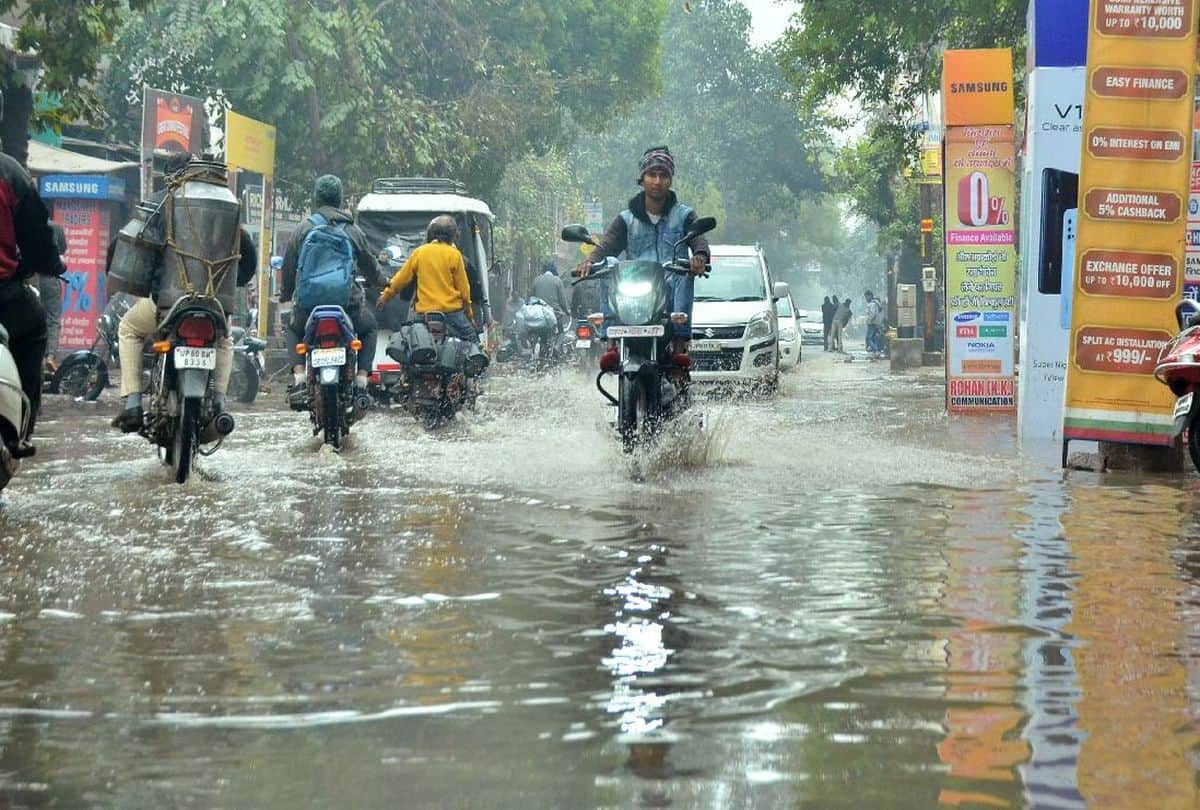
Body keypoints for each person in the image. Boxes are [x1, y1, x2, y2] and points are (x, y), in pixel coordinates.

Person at [112, 153, 258, 432]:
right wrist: (231, 283)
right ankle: (218, 401)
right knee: (225, 339)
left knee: (129, 328)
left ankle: (132, 403)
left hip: (166, 304)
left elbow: (126, 245)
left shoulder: (161, 200)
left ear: (170, 176)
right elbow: (248, 257)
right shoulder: (224, 201)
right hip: (215, 305)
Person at [577, 145, 709, 357]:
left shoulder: (684, 215)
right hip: (633, 287)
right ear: (642, 179)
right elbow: (606, 245)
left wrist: (700, 257)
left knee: (684, 268)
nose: (657, 181)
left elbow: (699, 241)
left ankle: (678, 345)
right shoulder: (625, 219)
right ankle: (610, 341)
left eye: (663, 175)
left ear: (670, 180)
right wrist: (590, 261)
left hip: (668, 287)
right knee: (609, 264)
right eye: (652, 175)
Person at [280, 174, 383, 408]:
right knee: (369, 328)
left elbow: (288, 268)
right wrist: (381, 282)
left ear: (316, 198)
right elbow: (370, 266)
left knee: (293, 329)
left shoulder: (304, 228)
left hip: (308, 308)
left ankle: (299, 377)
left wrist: (286, 294)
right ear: (340, 199)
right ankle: (361, 380)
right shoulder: (352, 230)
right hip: (349, 306)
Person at [0, 146, 66, 448]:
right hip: (5, 297)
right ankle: (21, 432)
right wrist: (52, 263)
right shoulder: (10, 173)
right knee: (36, 327)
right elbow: (38, 241)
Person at [376, 215, 477, 342]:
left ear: (430, 233)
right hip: (451, 314)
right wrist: (469, 316)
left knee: (410, 343)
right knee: (474, 343)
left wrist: (385, 297)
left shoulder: (419, 252)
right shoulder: (455, 255)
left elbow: (399, 280)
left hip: (422, 315)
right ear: (453, 235)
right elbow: (465, 291)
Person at [37, 221, 67, 373]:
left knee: (34, 318)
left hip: (32, 278)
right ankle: (50, 356)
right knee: (53, 319)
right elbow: (62, 251)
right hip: (50, 278)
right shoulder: (57, 228)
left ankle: (38, 357)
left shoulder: (27, 226)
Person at [531, 260, 569, 329]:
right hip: (555, 314)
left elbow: (531, 299)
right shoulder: (557, 281)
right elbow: (562, 302)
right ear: (554, 271)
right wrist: (567, 312)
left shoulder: (536, 280)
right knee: (561, 334)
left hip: (538, 315)